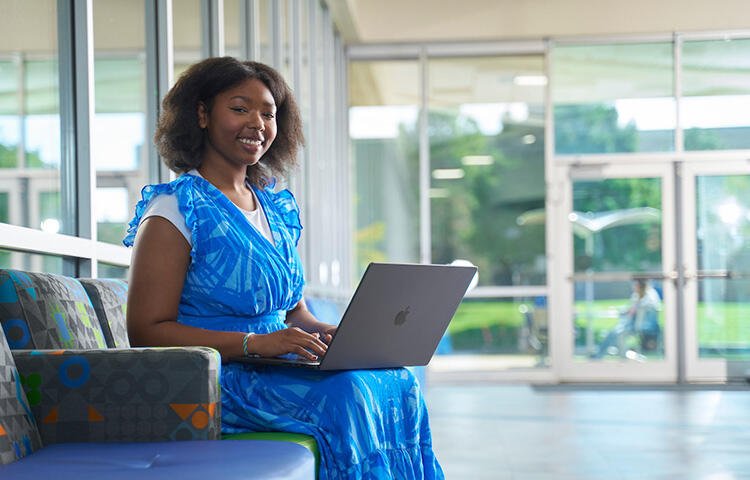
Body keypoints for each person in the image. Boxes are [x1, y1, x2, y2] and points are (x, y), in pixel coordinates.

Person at [123, 57, 444, 479]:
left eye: (269, 113)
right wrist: (257, 343)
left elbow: (295, 312)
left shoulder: (273, 208)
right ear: (201, 114)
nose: (257, 123)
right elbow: (146, 330)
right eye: (240, 108)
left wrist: (328, 333)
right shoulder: (175, 210)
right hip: (219, 378)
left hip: (274, 365)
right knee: (347, 393)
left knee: (398, 380)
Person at [591, 278, 662, 359]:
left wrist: (632, 310)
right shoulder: (637, 295)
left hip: (643, 325)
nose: (633, 287)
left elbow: (640, 309)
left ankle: (617, 356)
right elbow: (631, 309)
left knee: (618, 333)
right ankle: (602, 354)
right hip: (633, 324)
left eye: (635, 285)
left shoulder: (650, 295)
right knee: (614, 332)